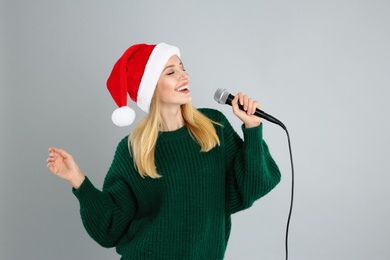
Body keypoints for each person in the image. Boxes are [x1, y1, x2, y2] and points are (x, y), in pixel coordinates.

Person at [46, 43, 281, 259]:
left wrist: (252, 127)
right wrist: (78, 180)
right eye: (171, 72)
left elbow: (253, 186)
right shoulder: (133, 149)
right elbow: (110, 228)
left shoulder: (213, 127)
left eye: (182, 67)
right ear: (150, 88)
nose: (184, 75)